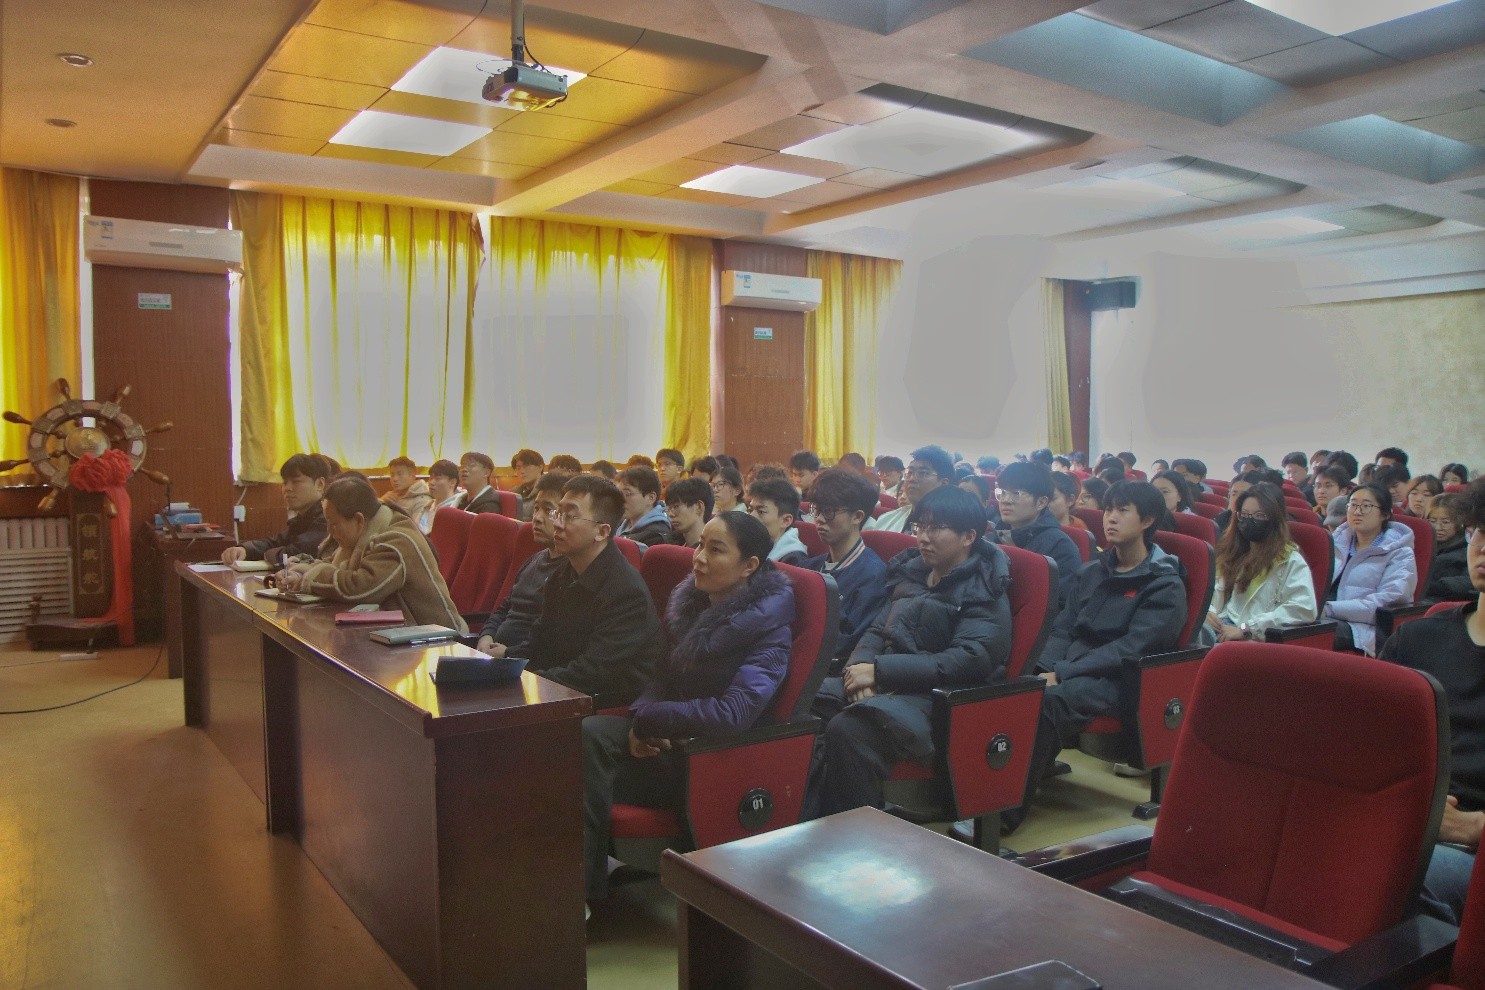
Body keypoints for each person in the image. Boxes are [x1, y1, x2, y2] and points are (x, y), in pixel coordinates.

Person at [581, 512, 794, 904]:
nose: (699, 558)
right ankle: (577, 890)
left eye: (716, 550)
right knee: (575, 740)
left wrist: (652, 720)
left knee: (586, 748)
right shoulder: (691, 606)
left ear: (749, 566)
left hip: (707, 759)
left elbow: (734, 714)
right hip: (668, 741)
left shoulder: (770, 631)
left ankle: (581, 897)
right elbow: (659, 676)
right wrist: (641, 719)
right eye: (699, 545)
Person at [805, 486, 1013, 818]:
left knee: (848, 730)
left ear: (968, 537)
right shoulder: (913, 574)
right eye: (920, 527)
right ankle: (811, 816)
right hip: (890, 684)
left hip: (939, 700)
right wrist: (859, 669)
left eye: (937, 528)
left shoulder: (984, 587)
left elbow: (969, 659)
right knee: (803, 703)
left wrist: (880, 671)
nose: (923, 538)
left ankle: (856, 832)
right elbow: (877, 629)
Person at [1011, 481, 1188, 830]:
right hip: (1074, 666)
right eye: (1108, 510)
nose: (1111, 518)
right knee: (1012, 685)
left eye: (1123, 511)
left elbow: (1131, 649)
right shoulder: (1092, 571)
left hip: (1121, 680)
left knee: (1051, 700)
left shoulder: (1164, 584)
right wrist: (1040, 667)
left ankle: (1002, 811)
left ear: (1147, 520)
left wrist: (1061, 673)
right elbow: (1063, 628)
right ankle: (986, 785)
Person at [1379, 480, 1485, 925]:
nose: (1483, 547)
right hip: (1396, 820)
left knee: (1392, 877)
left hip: (1469, 850)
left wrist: (1473, 827)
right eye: (1479, 532)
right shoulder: (1417, 640)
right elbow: (1366, 743)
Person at [526, 475, 662, 701]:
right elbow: (542, 641)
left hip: (606, 701)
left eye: (570, 516)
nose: (557, 524)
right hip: (561, 688)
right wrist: (508, 666)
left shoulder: (626, 593)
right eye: (558, 513)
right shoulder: (563, 574)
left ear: (602, 532)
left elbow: (592, 672)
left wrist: (528, 684)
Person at [283, 477, 465, 630]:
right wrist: (300, 572)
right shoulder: (363, 534)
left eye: (334, 523)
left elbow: (360, 588)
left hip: (434, 638)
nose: (329, 531)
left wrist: (310, 578)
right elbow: (331, 565)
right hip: (399, 633)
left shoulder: (396, 540)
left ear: (358, 519)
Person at [1203, 483, 1316, 643]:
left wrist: (1247, 629)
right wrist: (1208, 612)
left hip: (1254, 636)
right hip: (1223, 624)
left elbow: (1303, 609)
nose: (1250, 521)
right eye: (1245, 515)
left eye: (1259, 516)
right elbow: (1212, 590)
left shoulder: (1289, 560)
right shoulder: (1232, 551)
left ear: (1274, 519)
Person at [475, 473, 567, 659]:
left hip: (525, 664)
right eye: (536, 508)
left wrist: (508, 653)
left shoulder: (570, 572)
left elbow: (550, 641)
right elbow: (504, 608)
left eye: (548, 510)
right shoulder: (533, 560)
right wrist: (486, 636)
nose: (537, 518)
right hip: (494, 655)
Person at [802, 469, 889, 663]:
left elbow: (845, 644)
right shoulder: (810, 566)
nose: (819, 519)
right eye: (816, 509)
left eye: (829, 511)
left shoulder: (873, 576)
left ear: (857, 516)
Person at [1324, 482, 1417, 656]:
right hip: (1324, 616)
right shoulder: (1335, 543)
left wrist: (1329, 609)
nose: (1357, 512)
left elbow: (1388, 600)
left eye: (1366, 506)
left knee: (1301, 634)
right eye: (1353, 505)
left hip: (1363, 629)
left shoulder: (1400, 553)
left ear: (1385, 514)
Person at [994, 461, 1082, 609]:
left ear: (1041, 502)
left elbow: (1060, 608)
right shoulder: (993, 537)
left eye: (1016, 493)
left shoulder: (1061, 548)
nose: (1005, 500)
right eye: (1002, 492)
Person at [222, 453, 333, 565]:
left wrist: (268, 554)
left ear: (320, 484)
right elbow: (276, 542)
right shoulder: (302, 518)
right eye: (285, 482)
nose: (287, 488)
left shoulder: (327, 517)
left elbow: (297, 552)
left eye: (296, 481)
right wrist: (245, 549)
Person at [867, 444, 954, 534]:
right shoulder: (886, 519)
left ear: (943, 484)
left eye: (922, 473)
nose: (912, 479)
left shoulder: (952, 528)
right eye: (910, 472)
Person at [745, 477, 808, 565]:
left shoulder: (793, 560)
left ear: (786, 520)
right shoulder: (753, 544)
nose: (751, 516)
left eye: (761, 511)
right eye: (750, 510)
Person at [1424, 493, 1473, 604]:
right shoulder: (1420, 545)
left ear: (1459, 523)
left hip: (1445, 601)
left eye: (1445, 522)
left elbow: (1470, 582)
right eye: (1432, 521)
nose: (1438, 527)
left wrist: (1438, 586)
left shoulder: (1468, 548)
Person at [614, 466, 672, 546]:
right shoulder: (619, 525)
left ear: (651, 498)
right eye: (619, 494)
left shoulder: (656, 537)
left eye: (627, 494)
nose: (620, 500)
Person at [1211, 470, 1268, 536]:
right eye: (1234, 494)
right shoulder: (1222, 520)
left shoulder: (1263, 524)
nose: (1237, 499)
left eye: (1244, 494)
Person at [663, 476, 713, 548]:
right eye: (668, 508)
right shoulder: (669, 546)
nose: (670, 514)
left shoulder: (713, 552)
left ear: (699, 507)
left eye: (676, 506)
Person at [511, 448, 545, 520]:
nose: (522, 471)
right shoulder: (512, 494)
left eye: (526, 466)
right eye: (518, 468)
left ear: (540, 467)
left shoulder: (547, 491)